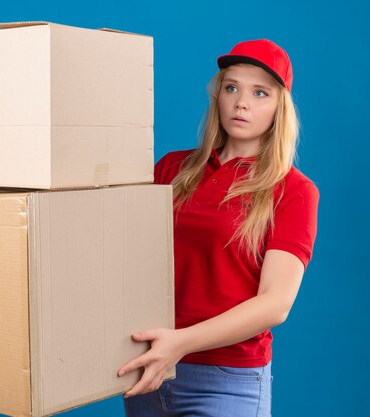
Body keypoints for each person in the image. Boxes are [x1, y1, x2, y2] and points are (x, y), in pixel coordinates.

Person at [117, 39, 320, 417]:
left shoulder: (294, 191)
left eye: (260, 93)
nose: (241, 102)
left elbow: (276, 303)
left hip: (227, 379)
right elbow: (123, 250)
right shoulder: (172, 169)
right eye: (232, 88)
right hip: (149, 368)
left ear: (280, 108)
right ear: (218, 97)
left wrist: (180, 343)